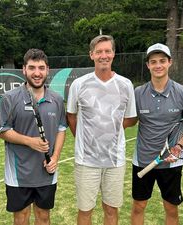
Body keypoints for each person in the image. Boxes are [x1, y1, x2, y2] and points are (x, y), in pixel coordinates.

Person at [66, 34, 137, 225]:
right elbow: (71, 116)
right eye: (99, 52)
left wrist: (109, 128)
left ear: (113, 54)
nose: (103, 55)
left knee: (111, 209)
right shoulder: (78, 84)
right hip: (86, 160)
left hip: (115, 160)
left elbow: (131, 118)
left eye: (107, 51)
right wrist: (83, 137)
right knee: (85, 210)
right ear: (91, 55)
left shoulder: (126, 84)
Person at [130, 43, 183, 225]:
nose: (158, 65)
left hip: (171, 162)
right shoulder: (138, 93)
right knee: (139, 206)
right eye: (153, 62)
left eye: (162, 61)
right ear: (148, 65)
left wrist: (179, 146)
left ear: (170, 63)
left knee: (170, 207)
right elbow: (129, 120)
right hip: (143, 160)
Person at [0, 48, 67, 225]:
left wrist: (56, 157)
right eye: (32, 67)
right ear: (24, 70)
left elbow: (61, 129)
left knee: (43, 216)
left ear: (47, 70)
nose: (37, 73)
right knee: (21, 217)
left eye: (41, 68)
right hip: (18, 173)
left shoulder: (57, 100)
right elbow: (3, 131)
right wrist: (30, 142)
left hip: (46, 172)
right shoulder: (10, 98)